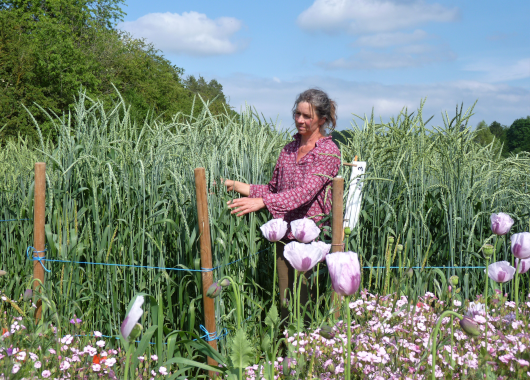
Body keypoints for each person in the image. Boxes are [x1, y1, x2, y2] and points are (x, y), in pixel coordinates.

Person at [224, 88, 341, 321]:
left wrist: (262, 202)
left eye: (307, 116)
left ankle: (308, 353)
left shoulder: (328, 152)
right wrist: (238, 186)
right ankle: (287, 352)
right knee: (285, 302)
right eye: (297, 114)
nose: (300, 120)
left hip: (311, 240)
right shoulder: (288, 149)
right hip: (285, 237)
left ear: (323, 119)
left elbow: (305, 193)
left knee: (306, 303)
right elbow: (275, 190)